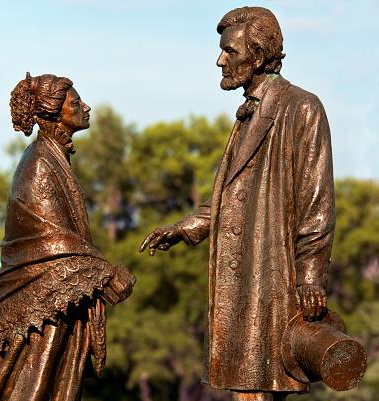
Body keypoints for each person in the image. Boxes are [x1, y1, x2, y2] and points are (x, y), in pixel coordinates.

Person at [140, 7, 334, 401]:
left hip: (270, 279)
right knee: (246, 388)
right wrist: (181, 228)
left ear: (259, 56)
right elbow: (225, 199)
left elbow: (317, 203)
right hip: (242, 282)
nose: (220, 60)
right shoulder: (247, 115)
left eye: (229, 51)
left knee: (261, 386)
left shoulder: (301, 108)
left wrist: (310, 276)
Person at [0, 73, 135, 401]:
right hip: (40, 307)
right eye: (76, 103)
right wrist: (106, 275)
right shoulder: (38, 164)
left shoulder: (54, 157)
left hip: (56, 302)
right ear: (54, 112)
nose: (86, 107)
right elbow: (52, 245)